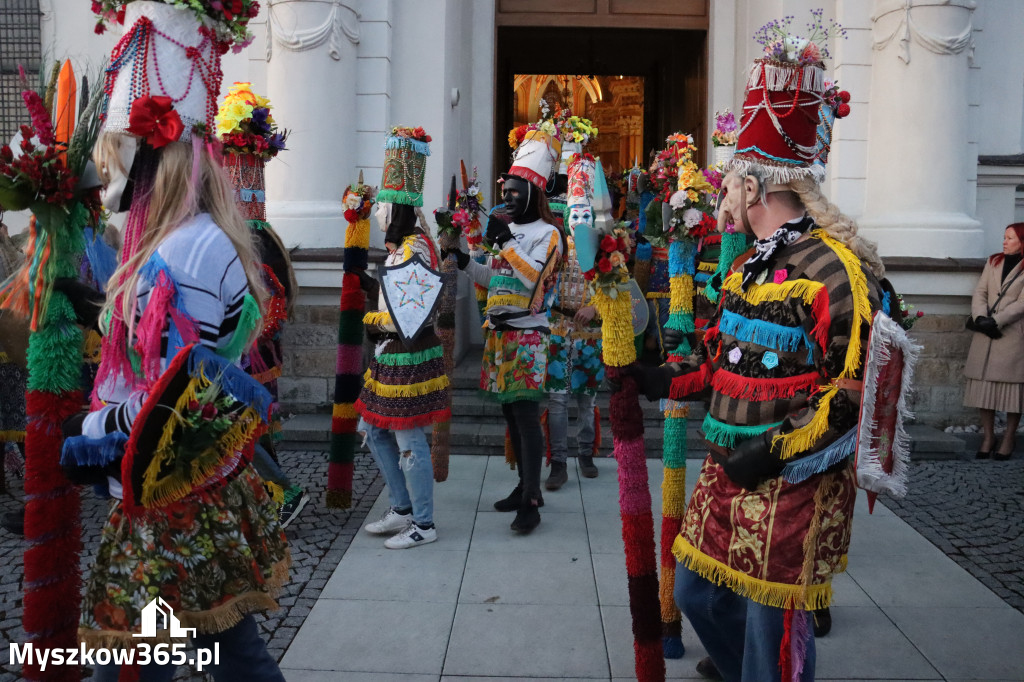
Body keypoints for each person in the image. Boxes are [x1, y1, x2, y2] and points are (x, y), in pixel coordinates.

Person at [629, 29, 885, 680]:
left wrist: (772, 452)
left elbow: (857, 400)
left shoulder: (838, 272)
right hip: (728, 468)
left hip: (790, 481)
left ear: (754, 187)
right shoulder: (747, 267)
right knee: (693, 594)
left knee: (773, 634)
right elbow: (724, 363)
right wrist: (661, 377)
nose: (720, 198)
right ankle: (743, 663)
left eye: (729, 185)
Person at [60, 4, 289, 679]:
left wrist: (90, 425)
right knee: (199, 654)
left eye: (115, 159)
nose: (107, 179)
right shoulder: (187, 240)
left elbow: (174, 388)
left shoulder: (186, 250)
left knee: (146, 661)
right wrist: (100, 310)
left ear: (150, 159)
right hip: (178, 482)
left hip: (170, 487)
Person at [446, 125, 564, 533]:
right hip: (499, 333)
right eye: (506, 191)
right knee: (511, 416)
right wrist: (462, 261)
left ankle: (531, 500)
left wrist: (507, 242)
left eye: (515, 192)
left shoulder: (549, 234)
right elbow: (493, 276)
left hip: (528, 334)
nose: (508, 198)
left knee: (528, 417)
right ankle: (524, 485)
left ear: (533, 193)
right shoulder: (507, 234)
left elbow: (533, 278)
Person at [356, 126, 451, 549]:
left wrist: (370, 317)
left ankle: (425, 524)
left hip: (408, 353)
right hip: (389, 355)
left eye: (381, 204)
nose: (376, 211)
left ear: (395, 209)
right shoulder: (401, 247)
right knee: (376, 432)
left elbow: (409, 317)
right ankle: (402, 507)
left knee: (408, 436)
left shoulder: (415, 249)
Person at [544, 151, 603, 489]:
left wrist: (595, 308)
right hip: (557, 329)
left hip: (589, 332)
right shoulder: (554, 247)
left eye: (585, 212)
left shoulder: (601, 247)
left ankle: (585, 452)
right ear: (566, 216)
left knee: (587, 396)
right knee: (557, 397)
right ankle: (558, 460)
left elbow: (615, 288)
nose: (579, 218)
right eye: (574, 213)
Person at [964, 222, 1024, 460]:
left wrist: (996, 320)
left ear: (1022, 241)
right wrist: (980, 317)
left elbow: (1021, 304)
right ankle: (988, 437)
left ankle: (1008, 438)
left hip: (1010, 335)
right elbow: (980, 291)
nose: (1004, 242)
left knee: (1012, 393)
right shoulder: (993, 261)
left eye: (1010, 238)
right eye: (1004, 237)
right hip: (984, 332)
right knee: (984, 388)